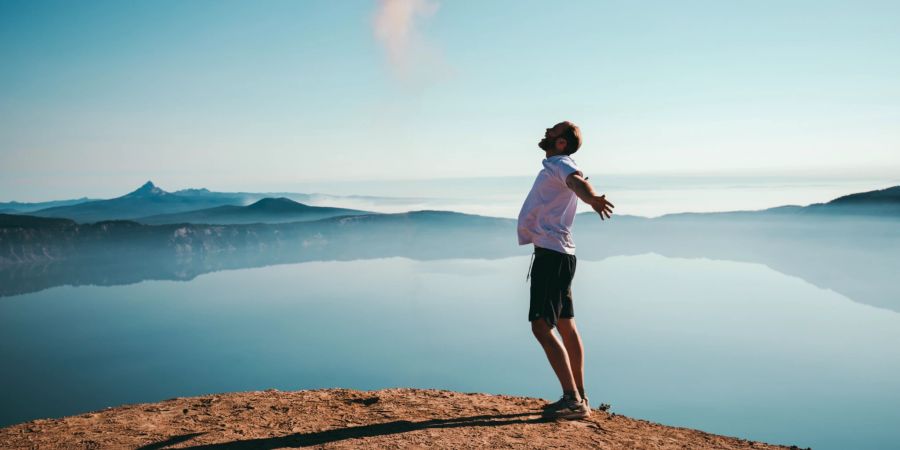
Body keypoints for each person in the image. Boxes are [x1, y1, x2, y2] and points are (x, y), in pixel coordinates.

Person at [517, 120, 614, 420]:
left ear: (561, 143)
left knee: (541, 326)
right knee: (565, 323)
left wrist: (592, 198)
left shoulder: (561, 164)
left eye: (552, 131)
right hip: (560, 254)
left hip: (551, 255)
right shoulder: (558, 164)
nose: (546, 131)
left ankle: (572, 400)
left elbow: (577, 182)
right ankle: (579, 395)